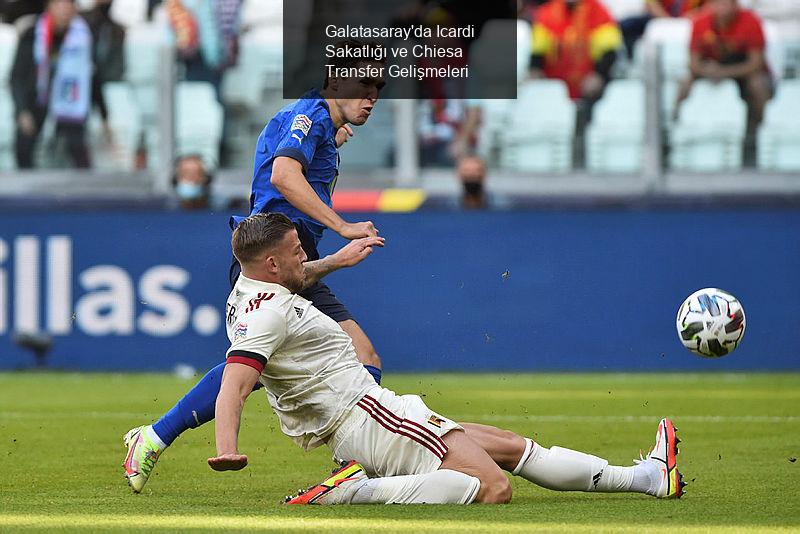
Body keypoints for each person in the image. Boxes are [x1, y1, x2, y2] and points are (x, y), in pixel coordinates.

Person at [206, 213, 685, 505]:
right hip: (367, 418)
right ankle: (355, 490)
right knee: (492, 487)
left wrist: (335, 261)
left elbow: (294, 280)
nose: (304, 258)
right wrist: (226, 448)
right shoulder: (268, 314)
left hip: (365, 413)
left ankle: (645, 479)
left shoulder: (250, 293)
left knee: (506, 444)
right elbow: (233, 385)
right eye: (296, 252)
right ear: (271, 264)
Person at [122, 40, 388, 493]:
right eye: (363, 86)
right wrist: (342, 227)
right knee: (334, 357)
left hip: (286, 252)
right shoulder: (310, 117)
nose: (371, 98)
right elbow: (284, 174)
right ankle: (352, 459)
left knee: (285, 361)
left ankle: (154, 436)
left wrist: (331, 139)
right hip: (274, 254)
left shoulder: (317, 123)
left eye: (378, 90)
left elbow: (285, 156)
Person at [11, 0, 92, 168]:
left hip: (69, 99)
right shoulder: (33, 34)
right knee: (24, 144)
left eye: (67, 5)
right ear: (50, 7)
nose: (63, 10)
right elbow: (17, 76)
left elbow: (91, 76)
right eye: (58, 4)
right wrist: (22, 110)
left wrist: (105, 116)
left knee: (79, 152)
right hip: (37, 99)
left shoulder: (83, 36)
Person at [677, 0, 772, 131]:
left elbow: (755, 64)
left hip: (742, 69)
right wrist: (710, 71)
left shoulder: (751, 21)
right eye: (718, 3)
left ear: (735, 5)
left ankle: (755, 130)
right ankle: (672, 126)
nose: (722, 8)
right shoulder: (700, 22)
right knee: (684, 82)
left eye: (725, 3)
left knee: (757, 85)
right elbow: (693, 64)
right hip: (711, 67)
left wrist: (722, 72)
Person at [529, 0, 622, 102]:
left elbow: (609, 50)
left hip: (589, 87)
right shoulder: (547, 13)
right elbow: (538, 50)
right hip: (555, 87)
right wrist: (534, 71)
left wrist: (598, 74)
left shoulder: (598, 11)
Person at [80, 0, 125, 142]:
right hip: (81, 85)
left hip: (104, 83)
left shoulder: (117, 29)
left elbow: (115, 68)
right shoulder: (80, 23)